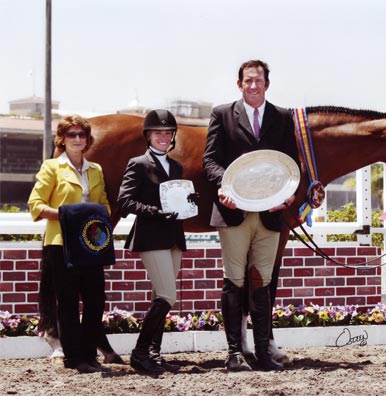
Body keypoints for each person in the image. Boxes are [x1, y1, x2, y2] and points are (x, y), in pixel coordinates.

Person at [203, 60, 300, 371]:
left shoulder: (283, 117)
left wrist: (288, 195)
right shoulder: (221, 114)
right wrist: (224, 187)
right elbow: (211, 161)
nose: (253, 85)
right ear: (239, 84)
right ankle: (233, 354)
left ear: (267, 84)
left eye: (258, 81)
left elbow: (290, 163)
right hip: (234, 212)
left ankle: (262, 353)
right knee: (234, 281)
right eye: (248, 81)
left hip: (270, 215)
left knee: (262, 283)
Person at [28, 115, 113, 373]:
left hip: (89, 244)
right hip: (60, 243)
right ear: (62, 140)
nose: (77, 139)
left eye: (81, 135)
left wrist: (100, 213)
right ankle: (73, 357)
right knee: (66, 302)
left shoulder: (95, 169)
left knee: (96, 299)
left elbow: (104, 204)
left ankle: (90, 354)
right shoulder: (52, 167)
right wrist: (67, 214)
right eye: (71, 135)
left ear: (87, 140)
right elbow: (36, 205)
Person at [117, 109, 188, 375]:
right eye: (158, 133)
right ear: (148, 135)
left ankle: (154, 354)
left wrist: (190, 203)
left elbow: (176, 199)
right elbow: (124, 202)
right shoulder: (138, 163)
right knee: (169, 296)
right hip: (151, 235)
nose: (164, 137)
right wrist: (154, 212)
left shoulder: (176, 166)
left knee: (161, 296)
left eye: (168, 133)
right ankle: (139, 352)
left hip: (173, 237)